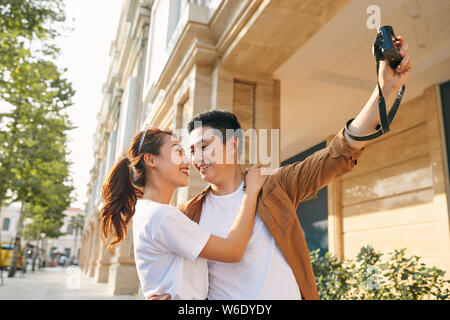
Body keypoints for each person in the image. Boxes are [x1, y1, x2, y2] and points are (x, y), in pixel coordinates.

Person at [150, 36, 412, 300]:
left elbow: (338, 153)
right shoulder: (188, 214)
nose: (197, 158)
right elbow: (169, 274)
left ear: (232, 145)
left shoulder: (275, 186)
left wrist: (385, 89)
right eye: (192, 150)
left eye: (205, 146)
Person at [99, 127, 267, 300]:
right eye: (177, 151)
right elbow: (233, 251)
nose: (187, 160)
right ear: (150, 160)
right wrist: (251, 191)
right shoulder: (162, 216)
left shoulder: (149, 212)